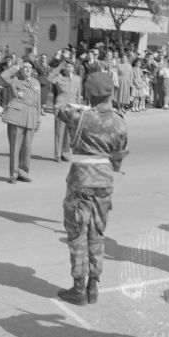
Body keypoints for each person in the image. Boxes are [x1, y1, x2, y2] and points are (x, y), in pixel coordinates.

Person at [56, 72, 129, 306]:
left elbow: (58, 108)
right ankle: (93, 285)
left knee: (77, 233)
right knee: (97, 232)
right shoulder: (119, 121)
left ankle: (78, 287)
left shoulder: (80, 117)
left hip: (81, 179)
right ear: (111, 93)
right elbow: (119, 155)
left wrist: (77, 104)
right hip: (105, 179)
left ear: (89, 94)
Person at [1, 60, 41, 183]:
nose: (28, 69)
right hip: (17, 117)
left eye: (30, 67)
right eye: (25, 67)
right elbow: (3, 76)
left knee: (27, 148)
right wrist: (16, 67)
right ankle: (13, 174)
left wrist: (38, 120)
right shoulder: (15, 80)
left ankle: (23, 173)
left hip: (31, 117)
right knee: (15, 147)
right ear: (21, 69)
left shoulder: (36, 82)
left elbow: (37, 103)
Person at [52, 58, 82, 162]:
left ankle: (65, 153)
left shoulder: (78, 79)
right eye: (67, 67)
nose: (69, 69)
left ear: (73, 68)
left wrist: (79, 107)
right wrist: (59, 66)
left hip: (72, 108)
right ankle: (58, 155)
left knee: (69, 133)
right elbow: (49, 78)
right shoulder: (59, 78)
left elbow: (79, 94)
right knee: (59, 132)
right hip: (61, 107)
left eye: (70, 67)